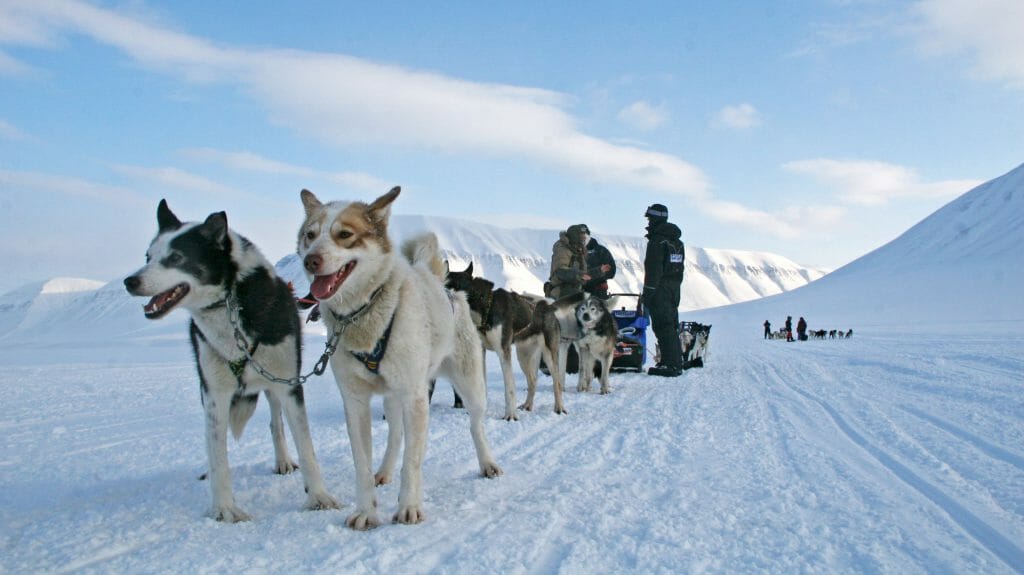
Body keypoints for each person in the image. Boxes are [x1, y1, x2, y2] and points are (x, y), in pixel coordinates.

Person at [640, 203, 685, 377]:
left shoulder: (657, 241)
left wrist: (648, 293)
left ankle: (672, 365)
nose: (648, 222)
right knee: (671, 324)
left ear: (655, 219)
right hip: (674, 289)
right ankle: (671, 361)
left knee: (662, 325)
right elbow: (679, 268)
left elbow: (653, 270)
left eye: (650, 218)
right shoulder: (677, 242)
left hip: (660, 289)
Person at [546, 224, 588, 299]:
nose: (584, 237)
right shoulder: (562, 249)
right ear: (575, 236)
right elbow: (560, 270)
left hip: (575, 288)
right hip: (561, 291)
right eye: (581, 235)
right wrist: (579, 275)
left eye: (584, 234)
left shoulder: (578, 250)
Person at [580, 224, 616, 300]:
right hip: (578, 293)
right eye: (580, 237)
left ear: (589, 236)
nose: (582, 239)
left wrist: (595, 277)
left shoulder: (601, 251)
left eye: (584, 236)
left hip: (599, 293)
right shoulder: (573, 251)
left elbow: (611, 271)